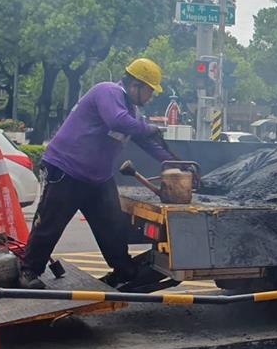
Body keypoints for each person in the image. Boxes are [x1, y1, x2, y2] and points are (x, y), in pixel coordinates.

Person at [18, 58, 176, 289]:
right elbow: (118, 122)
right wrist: (150, 128)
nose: (150, 97)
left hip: (97, 178)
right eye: (150, 91)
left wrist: (176, 163)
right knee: (50, 223)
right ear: (136, 85)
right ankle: (29, 271)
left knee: (112, 226)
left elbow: (146, 140)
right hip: (67, 170)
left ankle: (123, 270)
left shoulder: (130, 110)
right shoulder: (108, 92)